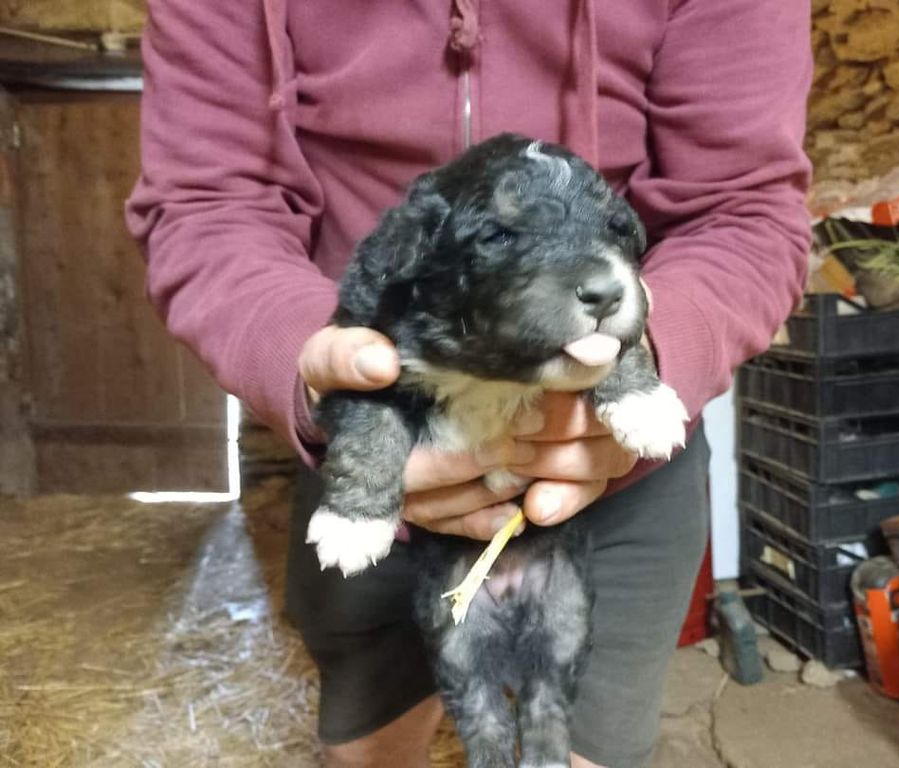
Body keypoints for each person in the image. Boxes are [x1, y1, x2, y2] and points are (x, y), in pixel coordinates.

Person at [126, 2, 812, 766]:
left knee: (567, 744)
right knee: (369, 750)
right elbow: (207, 202)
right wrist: (311, 360)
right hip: (376, 426)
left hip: (613, 469)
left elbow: (746, 206)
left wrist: (649, 351)